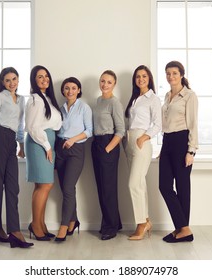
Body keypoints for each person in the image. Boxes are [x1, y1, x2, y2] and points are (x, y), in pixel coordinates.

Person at [0, 67, 33, 249]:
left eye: (14, 79)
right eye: (8, 80)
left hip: (10, 141)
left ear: (18, 80)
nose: (12, 83)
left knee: (13, 186)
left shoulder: (21, 100)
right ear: (3, 82)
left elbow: (20, 124)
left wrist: (20, 144)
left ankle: (14, 230)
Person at [159, 61, 198, 243]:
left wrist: (191, 151)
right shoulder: (167, 96)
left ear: (181, 74)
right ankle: (184, 228)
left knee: (182, 187)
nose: (170, 76)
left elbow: (193, 125)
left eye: (174, 73)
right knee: (164, 186)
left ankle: (182, 230)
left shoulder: (189, 96)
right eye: (168, 73)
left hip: (182, 142)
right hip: (167, 142)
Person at [124, 65, 161, 240]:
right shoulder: (135, 99)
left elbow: (158, 124)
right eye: (138, 76)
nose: (141, 79)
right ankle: (145, 219)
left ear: (149, 78)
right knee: (140, 184)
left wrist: (143, 138)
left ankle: (141, 224)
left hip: (141, 142)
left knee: (133, 184)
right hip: (129, 141)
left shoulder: (152, 98)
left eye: (144, 76)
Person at [25, 65, 62, 241]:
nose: (44, 79)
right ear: (34, 80)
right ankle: (36, 226)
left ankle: (40, 224)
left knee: (42, 185)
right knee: (45, 185)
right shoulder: (35, 100)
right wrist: (47, 146)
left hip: (47, 141)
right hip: (39, 143)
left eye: (46, 76)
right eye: (40, 77)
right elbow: (33, 127)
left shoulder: (46, 98)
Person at [54, 77, 93, 242]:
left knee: (68, 187)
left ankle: (63, 226)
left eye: (73, 88)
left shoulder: (84, 107)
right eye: (67, 88)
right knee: (66, 188)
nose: (70, 91)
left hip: (76, 149)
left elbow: (90, 130)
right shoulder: (60, 109)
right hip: (60, 148)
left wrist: (73, 139)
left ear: (79, 90)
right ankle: (73, 220)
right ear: (63, 91)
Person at [92, 70, 125, 241]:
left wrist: (107, 149)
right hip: (96, 143)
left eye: (109, 82)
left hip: (108, 145)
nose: (105, 84)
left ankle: (111, 227)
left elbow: (120, 131)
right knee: (101, 186)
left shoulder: (114, 103)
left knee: (109, 188)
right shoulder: (98, 101)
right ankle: (113, 222)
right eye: (102, 81)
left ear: (114, 84)